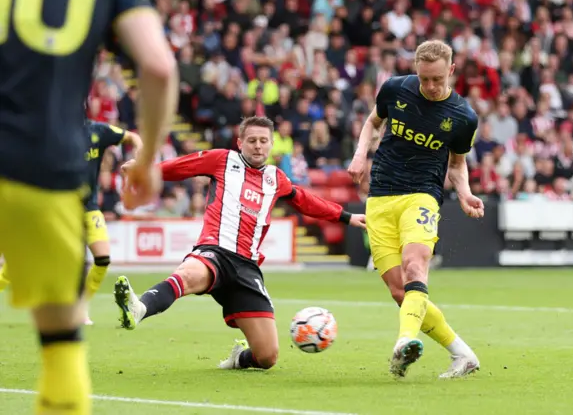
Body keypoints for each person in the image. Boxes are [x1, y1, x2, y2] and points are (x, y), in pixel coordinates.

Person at [0, 0, 177, 413]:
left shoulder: (100, 131)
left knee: (97, 259)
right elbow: (158, 66)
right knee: (60, 345)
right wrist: (149, 159)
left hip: (50, 172)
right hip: (40, 165)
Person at [114, 116, 366, 371]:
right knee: (189, 275)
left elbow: (304, 200)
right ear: (240, 142)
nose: (258, 146)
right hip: (215, 250)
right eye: (252, 140)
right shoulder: (222, 160)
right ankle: (140, 307)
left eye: (263, 141)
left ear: (271, 144)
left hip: (247, 268)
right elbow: (181, 166)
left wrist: (346, 216)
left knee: (267, 357)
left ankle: (239, 358)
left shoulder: (275, 178)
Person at [348, 40, 483, 379]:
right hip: (380, 196)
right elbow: (372, 123)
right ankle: (463, 354)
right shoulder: (395, 88)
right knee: (399, 291)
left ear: (451, 70)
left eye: (437, 79)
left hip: (422, 195)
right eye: (425, 79)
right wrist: (360, 154)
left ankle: (404, 342)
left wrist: (465, 194)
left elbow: (456, 164)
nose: (431, 86)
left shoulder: (463, 117)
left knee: (414, 265)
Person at [0, 120, 143, 326]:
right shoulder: (50, 131)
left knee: (102, 259)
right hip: (56, 207)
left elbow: (133, 138)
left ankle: (80, 308)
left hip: (88, 208)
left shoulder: (99, 131)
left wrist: (138, 157)